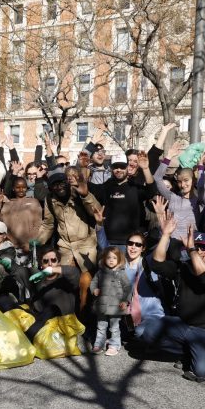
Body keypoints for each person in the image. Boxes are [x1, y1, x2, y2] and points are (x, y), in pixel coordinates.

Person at [150, 212, 205, 382]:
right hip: (182, 326)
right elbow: (156, 264)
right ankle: (185, 352)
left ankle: (192, 354)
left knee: (200, 372)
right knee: (145, 330)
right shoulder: (182, 267)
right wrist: (166, 235)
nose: (199, 250)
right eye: (196, 246)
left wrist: (191, 249)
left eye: (204, 247)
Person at [37, 166, 102, 310]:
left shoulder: (79, 193)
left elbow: (96, 211)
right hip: (65, 245)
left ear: (67, 183)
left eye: (61, 183)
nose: (59, 187)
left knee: (86, 281)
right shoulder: (50, 199)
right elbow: (48, 224)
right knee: (66, 280)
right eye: (55, 185)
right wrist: (37, 242)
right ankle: (68, 312)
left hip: (86, 244)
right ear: (51, 188)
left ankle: (85, 311)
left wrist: (86, 195)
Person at [90, 151, 156, 251]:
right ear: (111, 168)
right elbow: (86, 188)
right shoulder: (105, 187)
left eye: (122, 167)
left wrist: (146, 169)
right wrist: (82, 167)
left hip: (130, 244)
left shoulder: (135, 188)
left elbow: (151, 191)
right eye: (116, 167)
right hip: (108, 241)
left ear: (127, 167)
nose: (119, 170)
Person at [153, 144, 205, 240]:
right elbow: (157, 178)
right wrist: (169, 157)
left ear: (193, 180)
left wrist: (200, 167)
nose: (183, 185)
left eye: (186, 180)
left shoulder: (199, 200)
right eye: (179, 181)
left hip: (189, 246)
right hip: (170, 243)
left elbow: (202, 188)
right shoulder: (173, 197)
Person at [90, 247, 132, 356]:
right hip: (102, 306)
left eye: (114, 258)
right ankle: (99, 344)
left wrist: (125, 301)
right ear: (104, 259)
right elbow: (93, 282)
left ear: (119, 259)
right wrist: (94, 289)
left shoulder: (121, 273)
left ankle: (114, 345)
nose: (111, 260)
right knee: (101, 326)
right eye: (108, 257)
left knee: (114, 327)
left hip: (115, 306)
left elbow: (127, 288)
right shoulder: (100, 273)